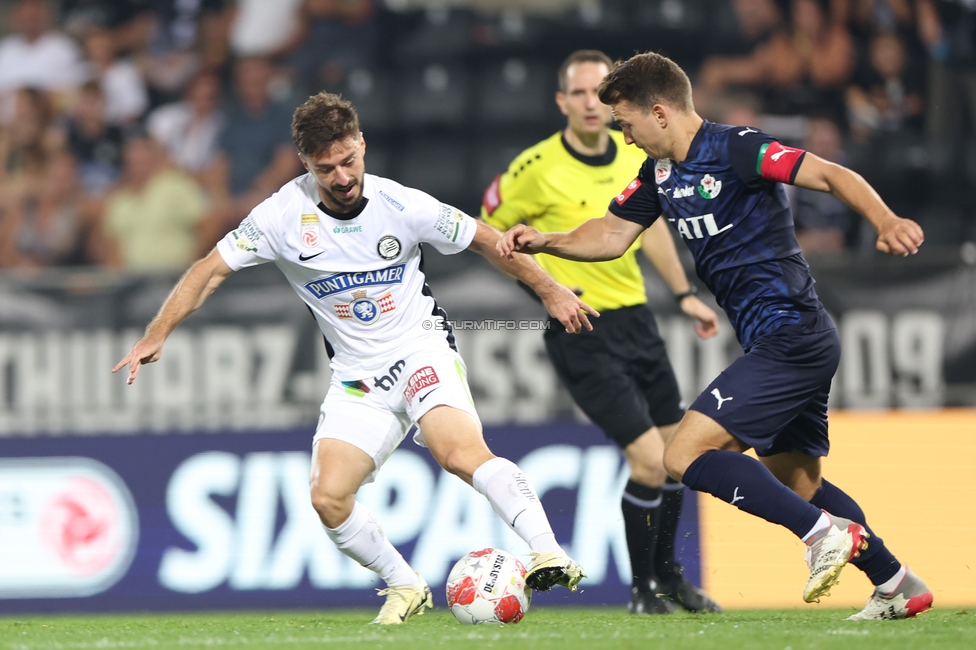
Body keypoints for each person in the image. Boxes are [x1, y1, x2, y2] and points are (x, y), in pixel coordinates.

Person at [114, 92, 593, 624]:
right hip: (357, 377)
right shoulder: (280, 216)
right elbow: (209, 269)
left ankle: (547, 550)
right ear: (305, 163)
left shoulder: (403, 205)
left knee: (458, 453)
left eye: (349, 161)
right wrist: (156, 332)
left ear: (362, 145)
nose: (342, 177)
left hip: (419, 348)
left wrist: (550, 292)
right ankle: (404, 583)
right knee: (328, 498)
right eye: (326, 168)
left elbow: (487, 241)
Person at [497, 52, 933, 621]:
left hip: (792, 333)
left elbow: (830, 174)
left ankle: (821, 536)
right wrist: (545, 241)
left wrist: (885, 220)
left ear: (659, 112)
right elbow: (608, 235)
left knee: (682, 454)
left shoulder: (737, 148)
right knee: (798, 484)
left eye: (626, 124)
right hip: (779, 340)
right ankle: (897, 582)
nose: (623, 138)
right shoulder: (659, 174)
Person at [481, 50, 721, 616]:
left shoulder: (638, 154)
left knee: (679, 456)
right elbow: (489, 237)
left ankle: (669, 578)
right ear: (562, 102)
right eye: (580, 93)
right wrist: (545, 289)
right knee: (648, 460)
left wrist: (683, 293)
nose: (592, 103)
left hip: (637, 319)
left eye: (600, 92)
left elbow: (650, 230)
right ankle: (641, 592)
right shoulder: (531, 168)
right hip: (581, 329)